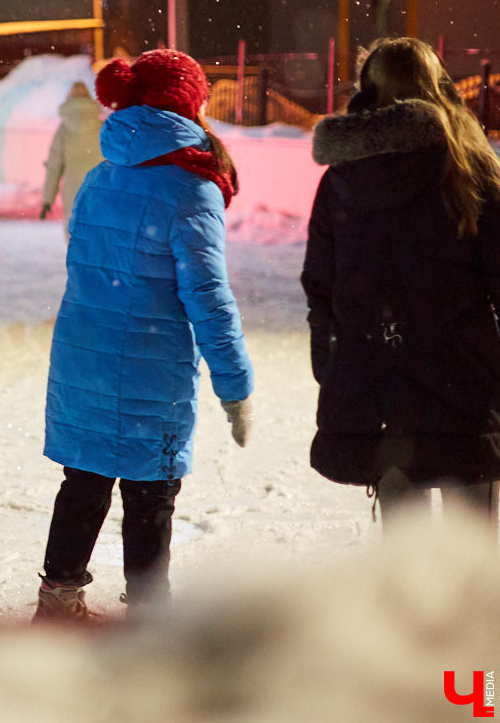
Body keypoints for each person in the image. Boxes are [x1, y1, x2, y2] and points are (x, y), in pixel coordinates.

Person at [33, 49, 254, 623]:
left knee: (83, 482)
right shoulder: (190, 188)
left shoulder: (102, 177)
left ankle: (58, 601)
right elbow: (207, 297)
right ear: (191, 104)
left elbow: (83, 264)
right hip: (151, 363)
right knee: (150, 493)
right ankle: (152, 620)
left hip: (84, 354)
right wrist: (235, 385)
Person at [301, 37, 500, 533]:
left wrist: (331, 362)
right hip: (465, 380)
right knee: (472, 556)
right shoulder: (468, 167)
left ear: (368, 93)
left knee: (402, 562)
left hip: (376, 382)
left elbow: (321, 286)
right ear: (439, 88)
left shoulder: (342, 179)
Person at [40, 81, 104, 238]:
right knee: (99, 226)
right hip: (99, 184)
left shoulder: (63, 130)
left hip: (73, 187)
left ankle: (77, 260)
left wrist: (48, 199)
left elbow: (54, 167)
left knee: (74, 228)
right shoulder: (102, 127)